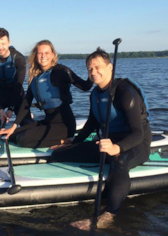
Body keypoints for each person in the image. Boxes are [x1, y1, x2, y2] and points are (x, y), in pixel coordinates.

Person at [49, 47, 152, 230]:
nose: (93, 72)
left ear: (110, 67)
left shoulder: (125, 93)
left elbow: (138, 133)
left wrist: (117, 148)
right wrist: (74, 141)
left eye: (97, 67)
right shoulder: (95, 94)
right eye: (89, 69)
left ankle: (110, 214)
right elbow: (91, 124)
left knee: (119, 162)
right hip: (107, 142)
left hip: (135, 143)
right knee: (59, 155)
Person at [0, 40, 92, 148]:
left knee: (22, 140)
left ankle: (65, 141)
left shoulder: (61, 71)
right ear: (36, 55)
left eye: (46, 53)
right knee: (12, 135)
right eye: (40, 53)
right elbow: (25, 103)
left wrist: (91, 71)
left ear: (52, 55)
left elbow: (85, 86)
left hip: (64, 124)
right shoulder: (36, 77)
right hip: (48, 121)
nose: (43, 56)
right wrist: (13, 126)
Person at [0, 28, 33, 132]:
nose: (0, 47)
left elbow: (19, 85)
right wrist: (0, 111)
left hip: (15, 93)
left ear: (9, 42)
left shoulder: (19, 59)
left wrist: (11, 109)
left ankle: (28, 116)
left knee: (27, 125)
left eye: (3, 43)